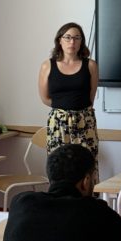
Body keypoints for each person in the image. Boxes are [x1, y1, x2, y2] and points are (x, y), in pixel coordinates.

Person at [37, 23, 99, 160]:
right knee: (59, 165)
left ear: (81, 41)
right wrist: (65, 109)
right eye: (68, 37)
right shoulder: (47, 66)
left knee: (85, 164)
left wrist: (77, 111)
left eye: (77, 38)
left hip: (84, 121)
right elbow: (45, 98)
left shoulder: (91, 65)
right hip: (58, 123)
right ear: (60, 40)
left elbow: (90, 98)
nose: (72, 42)